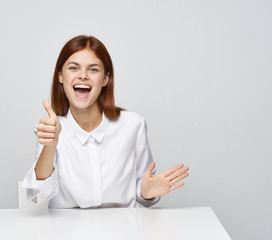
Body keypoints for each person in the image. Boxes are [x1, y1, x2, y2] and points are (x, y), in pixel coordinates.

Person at [22, 35, 189, 208]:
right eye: (73, 68)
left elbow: (144, 185)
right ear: (60, 76)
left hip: (123, 231)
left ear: (105, 79)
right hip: (69, 232)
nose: (83, 76)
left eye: (93, 70)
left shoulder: (133, 125)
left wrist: (144, 192)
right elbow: (37, 195)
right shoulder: (51, 128)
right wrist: (50, 144)